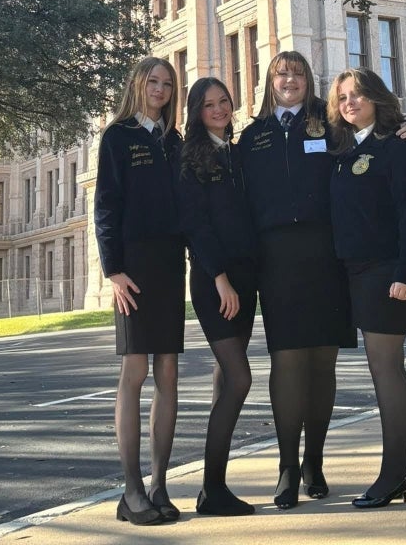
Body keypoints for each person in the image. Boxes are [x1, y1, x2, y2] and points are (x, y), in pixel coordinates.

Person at [238, 50, 406, 509]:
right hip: (282, 261)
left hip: (334, 262)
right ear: (269, 81)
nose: (290, 80)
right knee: (291, 363)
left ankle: (328, 464)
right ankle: (291, 467)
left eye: (299, 73)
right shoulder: (254, 135)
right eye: (282, 73)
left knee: (343, 365)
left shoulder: (329, 128)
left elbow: (399, 174)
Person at [327, 66, 406, 509]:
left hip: (390, 272)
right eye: (343, 97)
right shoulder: (346, 149)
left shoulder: (400, 147)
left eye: (359, 95)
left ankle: (392, 476)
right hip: (358, 273)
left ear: (377, 99)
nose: (350, 102)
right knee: (390, 369)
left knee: (385, 369)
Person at [94, 56, 185, 526]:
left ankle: (159, 485)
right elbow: (106, 204)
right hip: (133, 269)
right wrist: (113, 271)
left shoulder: (175, 141)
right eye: (153, 81)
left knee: (168, 372)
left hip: (170, 266)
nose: (161, 89)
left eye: (168, 84)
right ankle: (130, 491)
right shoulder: (118, 136)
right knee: (136, 368)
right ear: (138, 84)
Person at [177, 77, 257, 517]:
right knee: (239, 378)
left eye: (224, 101)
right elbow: (197, 226)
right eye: (209, 105)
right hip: (215, 281)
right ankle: (210, 487)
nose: (219, 109)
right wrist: (221, 279)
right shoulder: (191, 156)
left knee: (226, 382)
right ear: (196, 111)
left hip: (247, 278)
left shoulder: (237, 152)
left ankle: (215, 489)